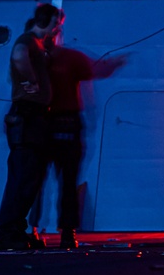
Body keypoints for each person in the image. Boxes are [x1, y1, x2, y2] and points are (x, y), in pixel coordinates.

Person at [40, 27, 126, 249]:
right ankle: (61, 231)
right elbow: (99, 70)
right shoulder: (59, 58)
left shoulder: (46, 58)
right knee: (53, 181)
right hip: (57, 122)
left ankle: (61, 230)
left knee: (58, 181)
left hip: (53, 122)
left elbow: (97, 70)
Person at [0, 3, 64, 251]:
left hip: (33, 118)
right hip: (28, 116)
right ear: (48, 19)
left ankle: (15, 230)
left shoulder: (39, 46)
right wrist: (31, 80)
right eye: (57, 22)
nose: (57, 27)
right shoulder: (28, 41)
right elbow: (19, 55)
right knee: (22, 177)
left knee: (29, 178)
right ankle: (7, 232)